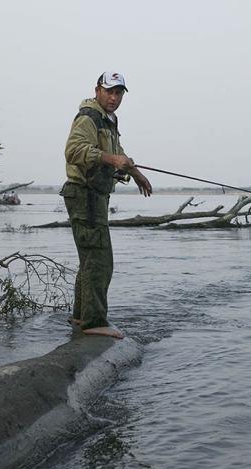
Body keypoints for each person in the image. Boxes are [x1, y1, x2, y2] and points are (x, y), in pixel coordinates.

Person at [62, 71, 152, 338]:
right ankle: (93, 322)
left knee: (90, 259)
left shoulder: (108, 120)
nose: (113, 98)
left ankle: (80, 318)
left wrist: (135, 173)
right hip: (84, 195)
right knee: (100, 261)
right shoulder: (88, 117)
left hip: (94, 197)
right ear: (97, 90)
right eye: (109, 91)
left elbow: (119, 152)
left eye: (118, 93)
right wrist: (112, 161)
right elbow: (73, 150)